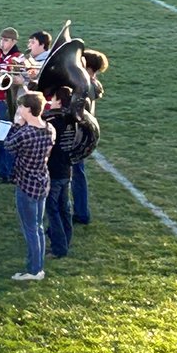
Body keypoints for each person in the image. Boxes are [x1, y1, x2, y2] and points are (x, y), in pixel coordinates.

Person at [4, 91, 56, 282]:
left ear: (28, 109)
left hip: (26, 185)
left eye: (20, 106)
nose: (19, 109)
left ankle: (34, 270)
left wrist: (16, 125)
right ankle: (38, 266)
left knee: (30, 228)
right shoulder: (49, 128)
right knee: (39, 226)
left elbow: (8, 146)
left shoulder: (25, 133)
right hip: (42, 180)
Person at [72, 49, 108, 225]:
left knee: (76, 174)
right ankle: (80, 211)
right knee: (76, 173)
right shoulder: (87, 83)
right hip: (80, 133)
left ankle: (81, 212)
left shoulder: (88, 85)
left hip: (78, 135)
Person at [0, 28, 24, 182]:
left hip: (6, 101)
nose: (2, 43)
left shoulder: (19, 57)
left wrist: (1, 73)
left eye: (6, 40)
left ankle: (10, 172)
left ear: (14, 42)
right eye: (1, 39)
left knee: (7, 138)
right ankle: (1, 170)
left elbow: (20, 80)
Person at [44, 86, 74, 260]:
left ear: (60, 101)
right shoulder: (72, 119)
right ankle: (66, 242)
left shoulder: (53, 122)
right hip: (66, 170)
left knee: (53, 210)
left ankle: (59, 248)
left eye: (53, 98)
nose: (50, 101)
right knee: (64, 209)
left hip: (54, 171)